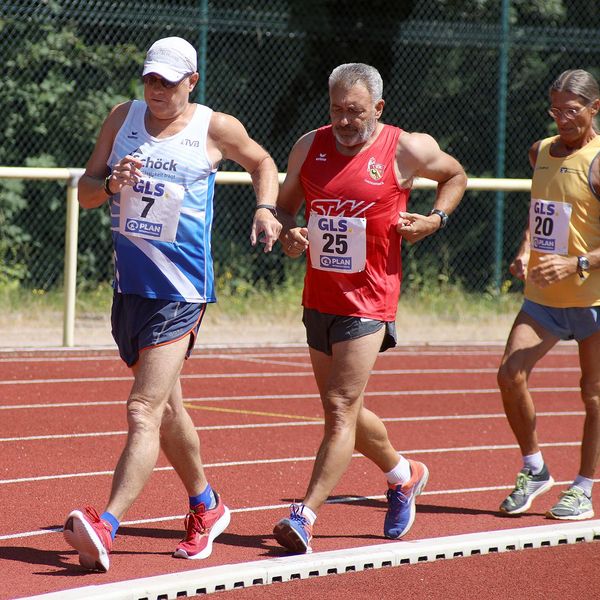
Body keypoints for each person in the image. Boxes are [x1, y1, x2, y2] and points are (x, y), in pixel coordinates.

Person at [63, 36, 281, 572]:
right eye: (150, 79)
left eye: (168, 80)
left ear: (192, 81)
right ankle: (207, 505)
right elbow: (85, 192)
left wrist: (265, 207)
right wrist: (111, 184)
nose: (156, 89)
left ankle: (105, 524)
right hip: (130, 288)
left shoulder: (214, 127)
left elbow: (262, 160)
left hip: (181, 291)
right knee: (168, 408)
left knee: (143, 409)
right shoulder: (122, 117)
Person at [272, 63, 467, 553]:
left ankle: (304, 515)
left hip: (371, 299)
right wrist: (290, 232)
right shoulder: (308, 146)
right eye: (336, 109)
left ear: (378, 108)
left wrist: (434, 220)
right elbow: (286, 206)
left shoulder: (404, 147)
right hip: (320, 296)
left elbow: (456, 174)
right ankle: (404, 474)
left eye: (355, 112)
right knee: (346, 412)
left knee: (339, 408)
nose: (343, 120)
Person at [498, 69, 600, 521]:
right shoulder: (539, 151)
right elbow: (541, 210)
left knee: (593, 395)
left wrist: (577, 262)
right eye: (555, 110)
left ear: (594, 108)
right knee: (509, 373)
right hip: (542, 296)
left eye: (572, 111)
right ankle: (534, 468)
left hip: (592, 299)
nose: (562, 119)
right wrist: (524, 249)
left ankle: (582, 487)